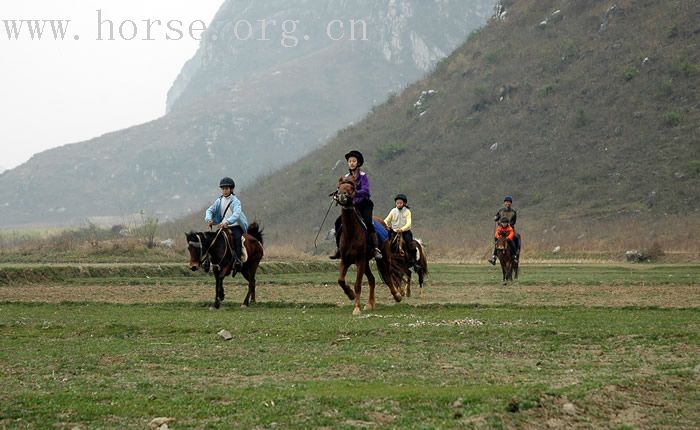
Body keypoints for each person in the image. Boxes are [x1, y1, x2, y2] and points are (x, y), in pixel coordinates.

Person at [329, 150, 383, 260]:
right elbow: (341, 189)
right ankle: (339, 248)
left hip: (364, 205)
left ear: (358, 163)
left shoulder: (363, 176)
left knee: (368, 222)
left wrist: (354, 193)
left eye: (354, 161)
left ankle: (375, 248)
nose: (351, 163)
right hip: (351, 206)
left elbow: (366, 191)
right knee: (338, 222)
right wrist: (337, 195)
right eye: (349, 161)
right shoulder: (346, 177)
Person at [204, 177, 249, 272]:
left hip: (235, 226)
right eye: (223, 189)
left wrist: (227, 222)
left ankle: (238, 261)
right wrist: (209, 219)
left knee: (237, 239)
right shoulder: (219, 200)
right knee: (213, 240)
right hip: (222, 226)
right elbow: (210, 210)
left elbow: (236, 214)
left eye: (226, 188)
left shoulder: (236, 201)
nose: (224, 191)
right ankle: (207, 260)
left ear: (231, 189)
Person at [384, 194, 420, 269]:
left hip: (405, 232)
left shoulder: (407, 211)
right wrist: (385, 225)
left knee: (410, 244)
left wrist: (402, 229)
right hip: (394, 232)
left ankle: (414, 262)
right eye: (397, 203)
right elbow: (386, 220)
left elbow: (409, 223)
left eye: (400, 203)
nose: (398, 204)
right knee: (385, 242)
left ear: (404, 203)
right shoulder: (393, 211)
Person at [489, 196, 520, 265]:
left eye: (509, 202)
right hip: (501, 229)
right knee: (496, 241)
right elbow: (497, 216)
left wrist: (507, 224)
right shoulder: (500, 211)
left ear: (511, 203)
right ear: (504, 203)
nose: (507, 203)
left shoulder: (513, 212)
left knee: (516, 238)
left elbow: (514, 222)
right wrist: (496, 218)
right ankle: (494, 257)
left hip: (510, 229)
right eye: (506, 202)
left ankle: (515, 254)